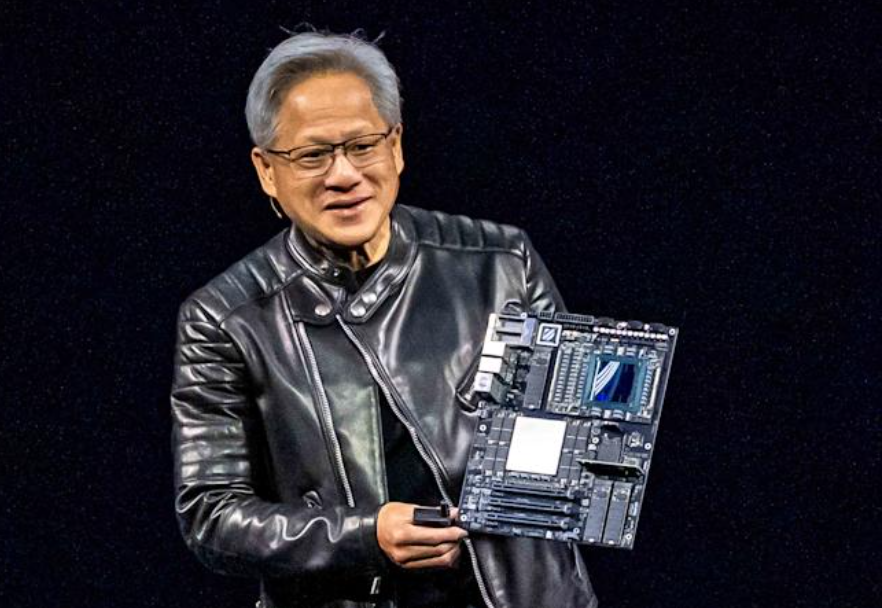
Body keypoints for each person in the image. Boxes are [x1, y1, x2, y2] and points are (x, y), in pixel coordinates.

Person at [170, 30, 597, 608]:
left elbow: (582, 445)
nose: (344, 175)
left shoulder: (503, 262)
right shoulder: (224, 317)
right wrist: (364, 535)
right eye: (313, 155)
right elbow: (212, 517)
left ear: (395, 146)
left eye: (363, 145)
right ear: (267, 171)